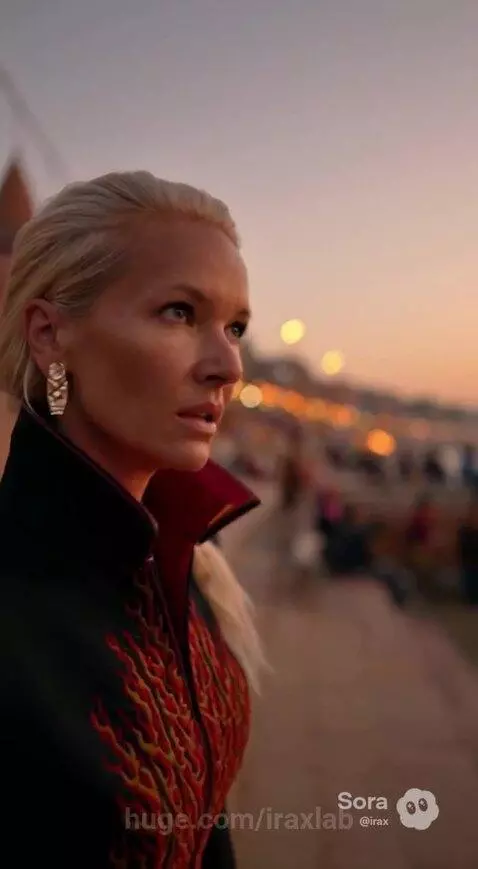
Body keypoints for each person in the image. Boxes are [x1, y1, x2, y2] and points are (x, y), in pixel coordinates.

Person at [0, 171, 266, 869]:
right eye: (180, 312)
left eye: (235, 326)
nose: (228, 364)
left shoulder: (188, 561)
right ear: (51, 334)